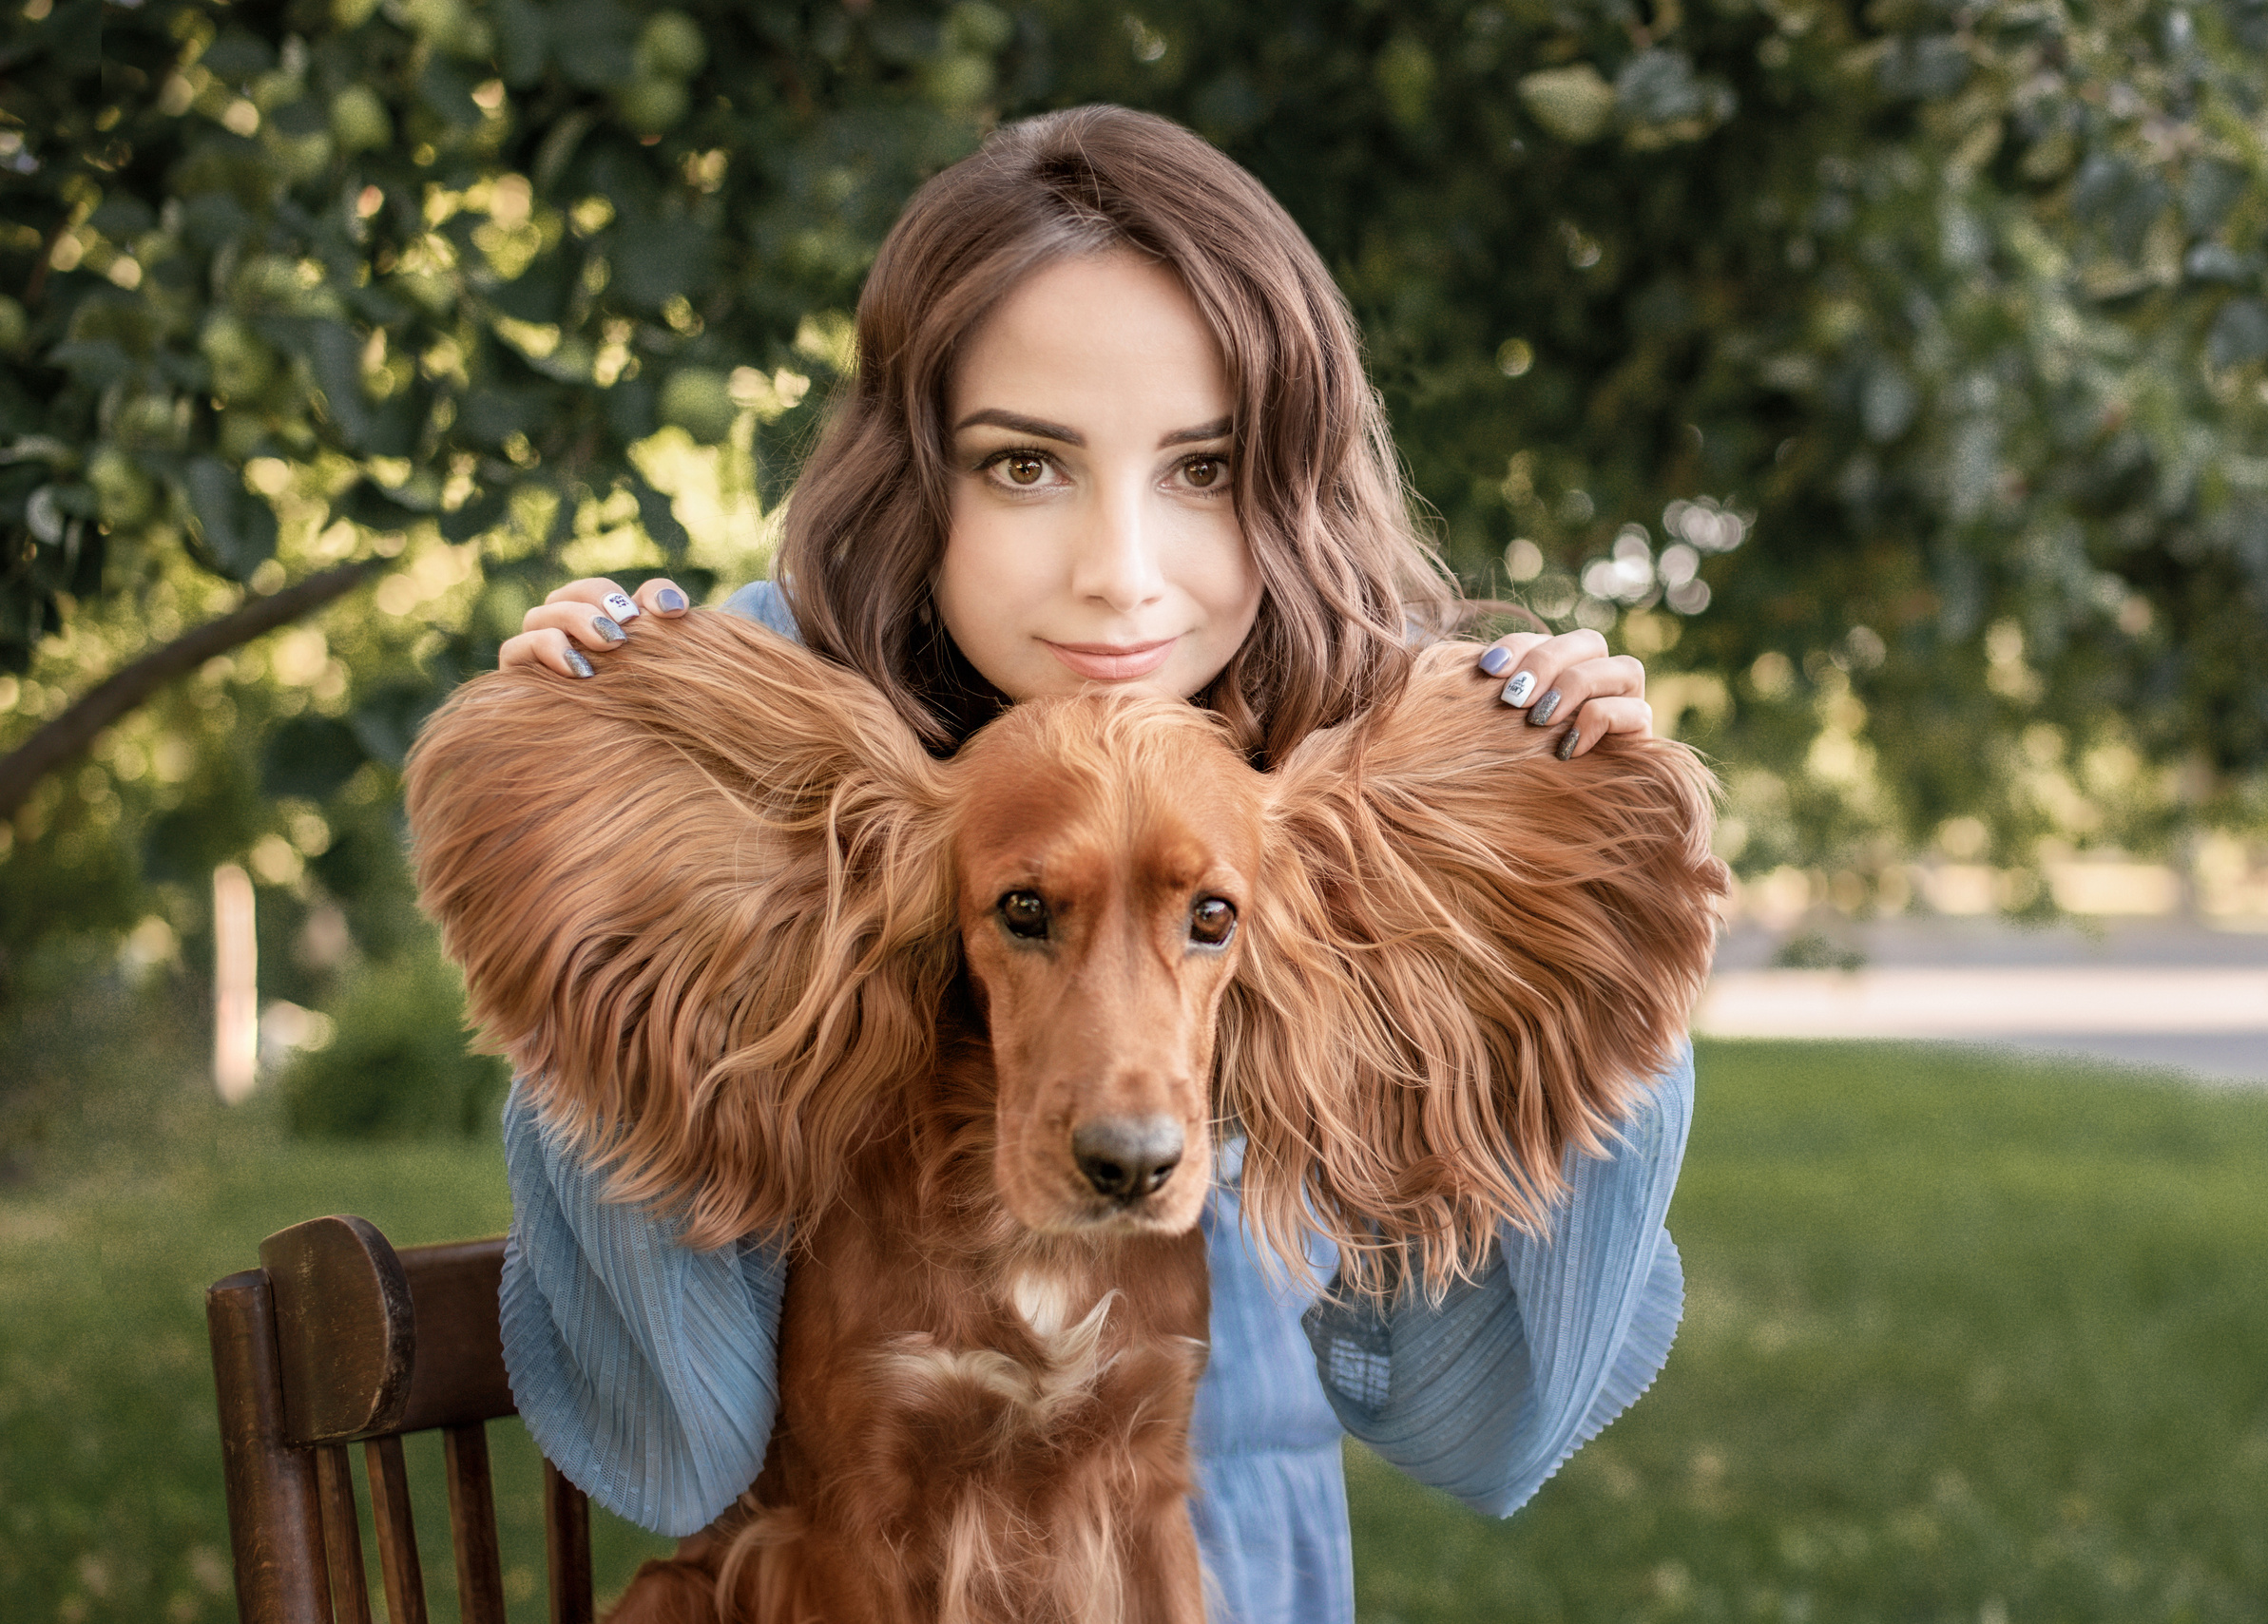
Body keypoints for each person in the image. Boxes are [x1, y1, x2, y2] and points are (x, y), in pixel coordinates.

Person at [490, 105, 1692, 1622]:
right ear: (915, 477)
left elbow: (1473, 1428)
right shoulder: (782, 756)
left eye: (1204, 468)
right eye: (1025, 465)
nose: (1120, 571)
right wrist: (600, 908)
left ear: (1294, 485)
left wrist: (1589, 910)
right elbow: (674, 1449)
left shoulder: (1363, 763)